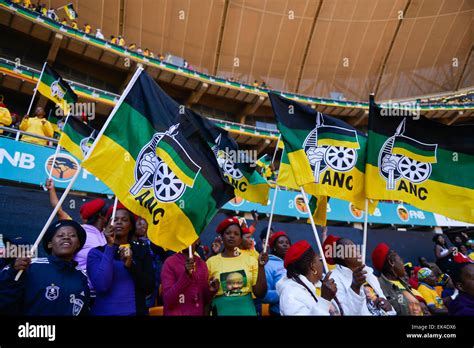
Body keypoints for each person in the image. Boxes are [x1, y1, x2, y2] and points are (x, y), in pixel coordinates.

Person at [0, 220, 90, 315]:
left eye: (72, 235)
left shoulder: (81, 276)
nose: (66, 237)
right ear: (49, 244)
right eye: (60, 235)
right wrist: (13, 271)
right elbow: (5, 296)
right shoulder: (31, 266)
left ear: (78, 244)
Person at [87, 204, 155, 315]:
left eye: (124, 220)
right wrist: (110, 246)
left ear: (131, 226)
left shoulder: (141, 250)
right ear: (107, 225)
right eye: (115, 219)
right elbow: (102, 286)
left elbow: (149, 287)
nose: (119, 222)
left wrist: (131, 265)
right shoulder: (96, 252)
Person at [206, 217, 268, 316]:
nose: (232, 236)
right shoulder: (211, 262)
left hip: (247, 311)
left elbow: (260, 293)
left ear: (240, 239)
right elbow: (204, 295)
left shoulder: (251, 260)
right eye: (228, 233)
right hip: (220, 311)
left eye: (236, 234)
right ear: (222, 236)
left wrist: (261, 267)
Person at [324, 236, 395, 316]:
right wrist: (355, 287)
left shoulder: (368, 273)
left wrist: (389, 308)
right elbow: (345, 312)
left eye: (356, 247)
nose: (358, 250)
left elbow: (385, 306)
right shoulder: (334, 278)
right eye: (352, 248)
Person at [277, 240, 337, 315]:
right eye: (319, 260)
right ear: (313, 266)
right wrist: (325, 300)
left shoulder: (320, 283)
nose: (321, 263)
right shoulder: (290, 294)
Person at [161, 239, 215, 315]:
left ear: (197, 240)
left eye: (191, 236)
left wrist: (211, 290)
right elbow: (168, 301)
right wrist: (186, 275)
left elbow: (203, 299)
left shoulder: (202, 264)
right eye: (184, 236)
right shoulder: (170, 263)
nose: (188, 238)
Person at [373, 243, 428, 315]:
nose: (403, 264)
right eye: (401, 260)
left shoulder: (404, 283)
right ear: (391, 262)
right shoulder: (379, 288)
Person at [263, 231, 291, 316]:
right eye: (281, 242)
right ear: (274, 247)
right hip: (277, 312)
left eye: (287, 242)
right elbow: (265, 295)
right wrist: (284, 292)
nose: (285, 245)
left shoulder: (294, 263)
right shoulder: (268, 265)